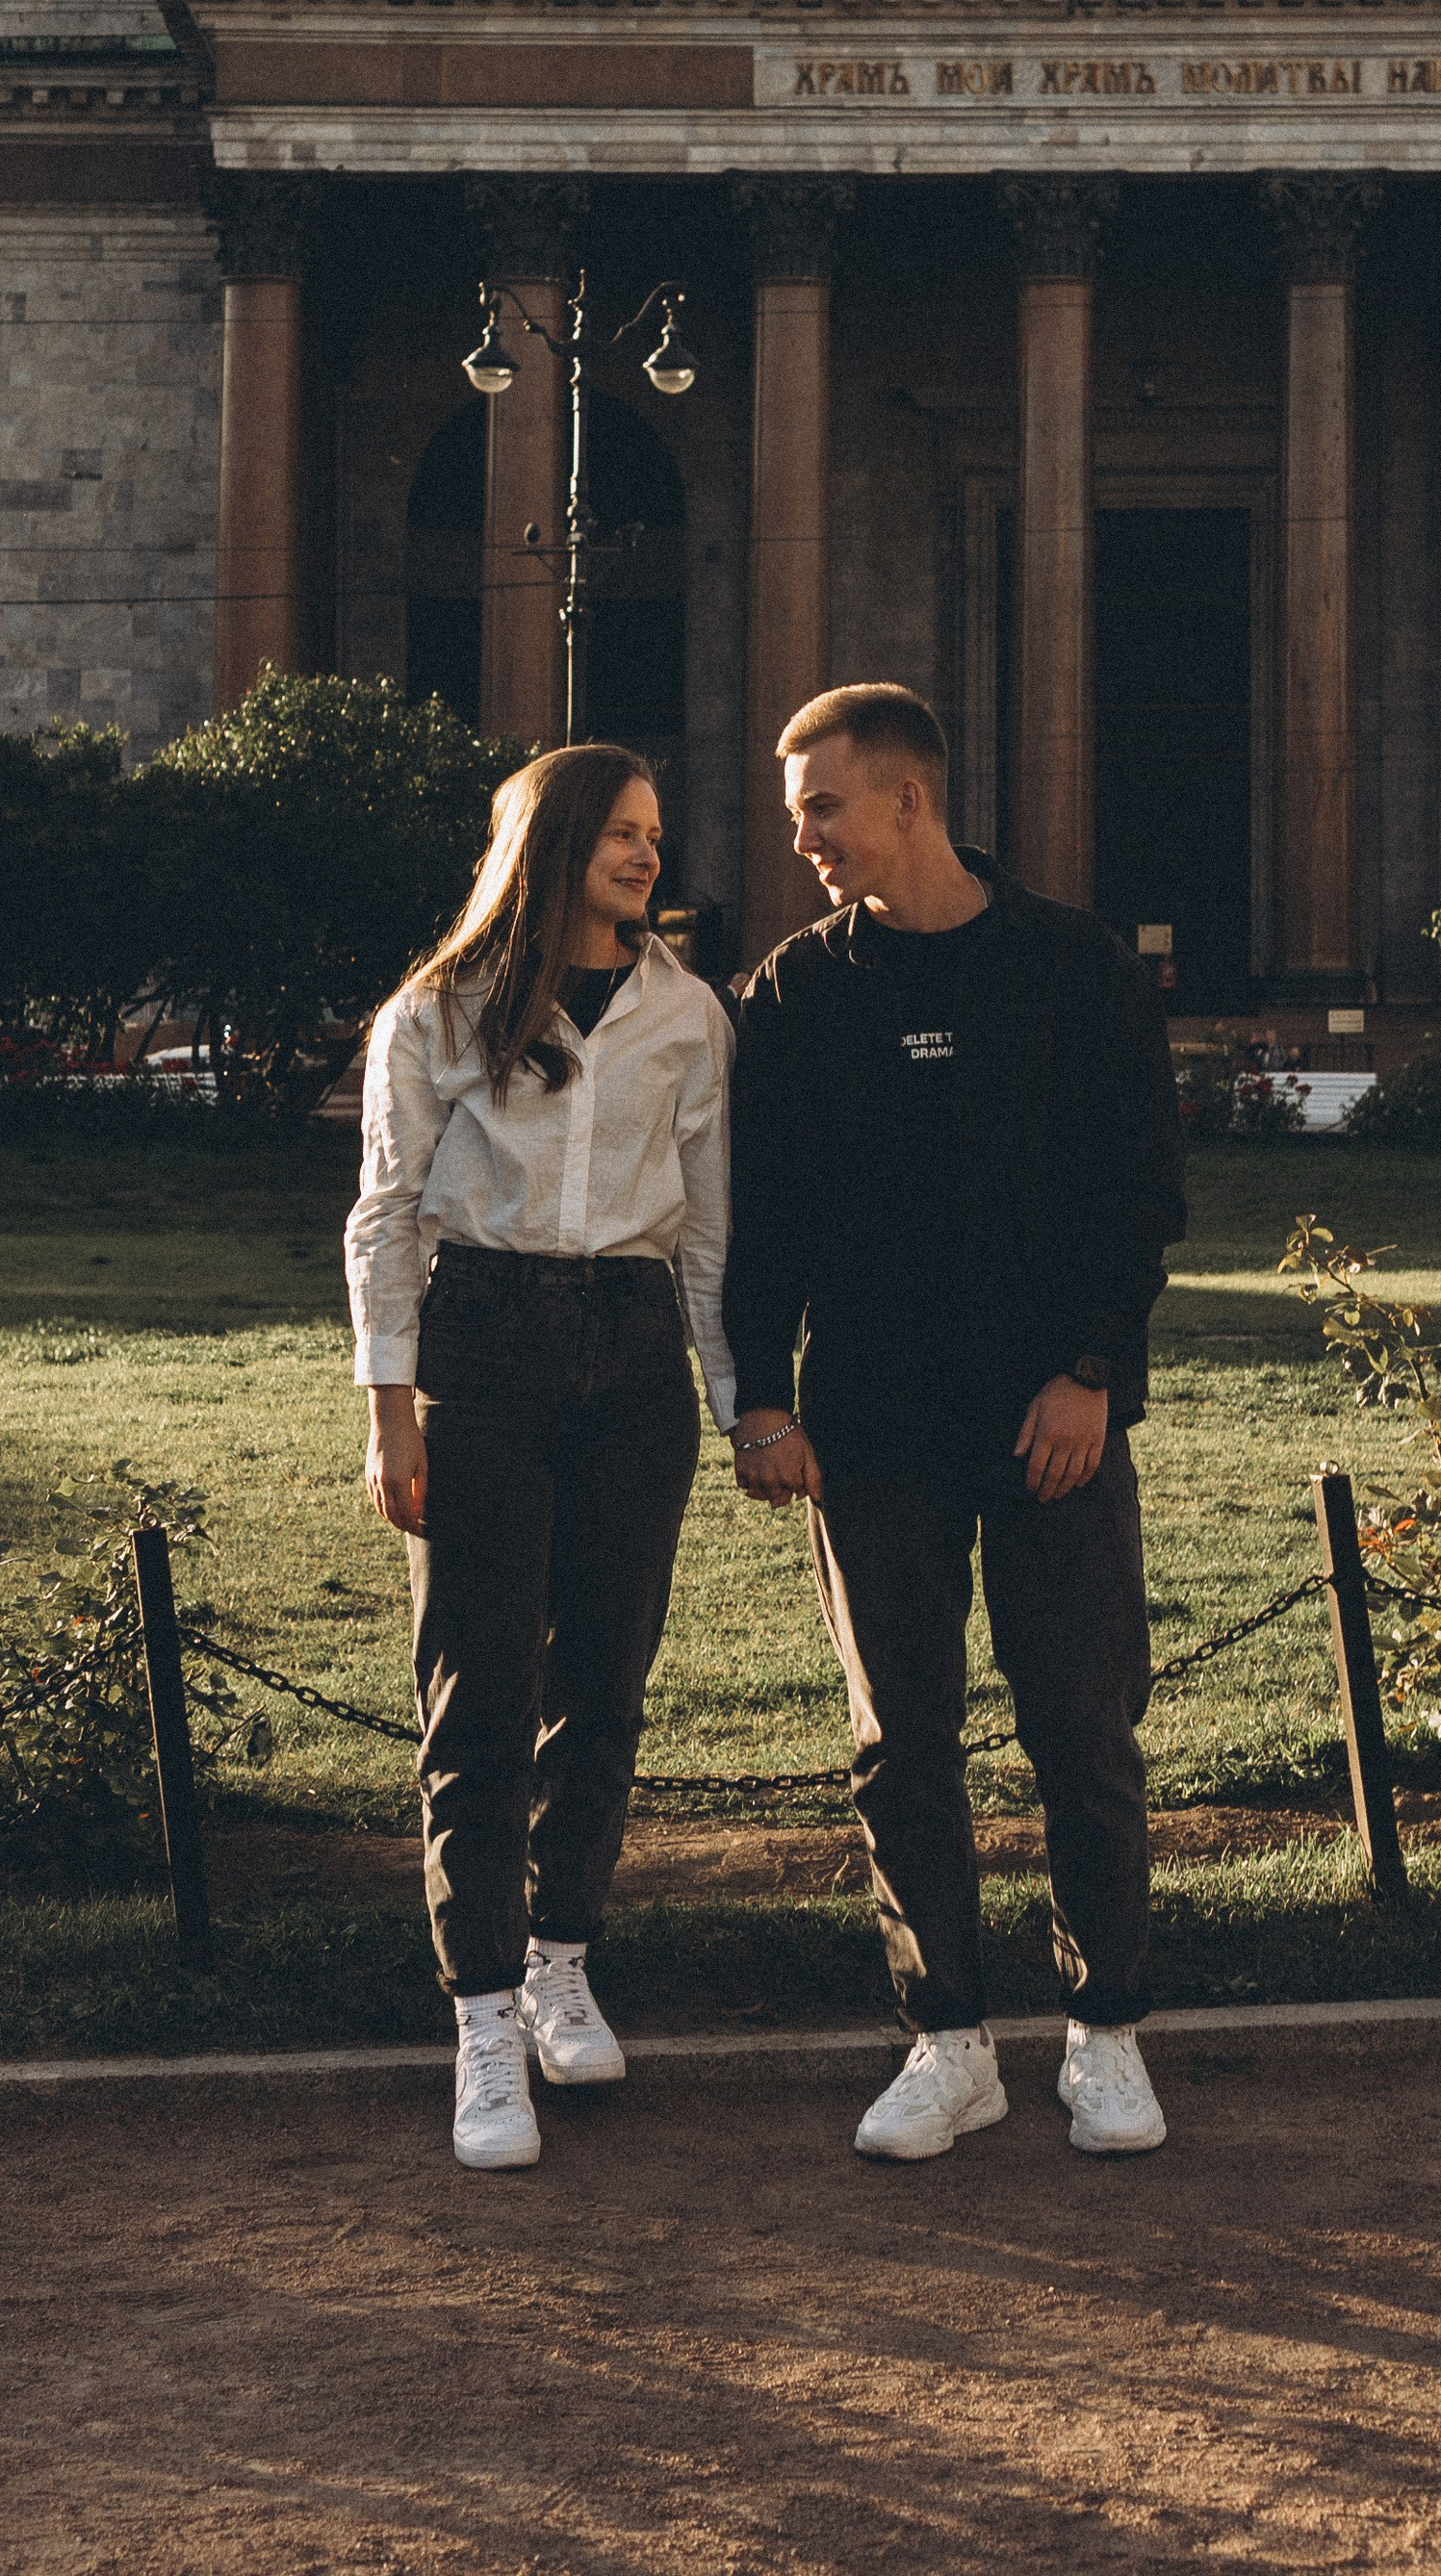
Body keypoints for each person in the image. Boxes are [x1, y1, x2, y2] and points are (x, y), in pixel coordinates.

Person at [723, 683, 1186, 2163]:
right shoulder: (794, 993)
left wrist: (1093, 1372)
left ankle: (1105, 2035)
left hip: (1054, 1417)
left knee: (1082, 1731)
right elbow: (760, 1222)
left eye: (821, 808)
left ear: (909, 798)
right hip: (872, 1431)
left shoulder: (1074, 969)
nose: (800, 838)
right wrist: (760, 1396)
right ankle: (949, 2043)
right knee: (899, 1743)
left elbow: (1141, 1199)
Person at [346, 746, 735, 2172]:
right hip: (484, 1351)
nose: (645, 854)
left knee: (605, 1684)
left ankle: (565, 1960)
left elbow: (704, 1230)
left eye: (653, 831)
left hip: (632, 1357)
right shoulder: (439, 1013)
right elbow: (385, 1218)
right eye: (619, 834)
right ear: (551, 844)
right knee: (479, 1694)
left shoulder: (688, 1015)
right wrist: (391, 1410)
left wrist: (741, 1401)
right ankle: (484, 2017)